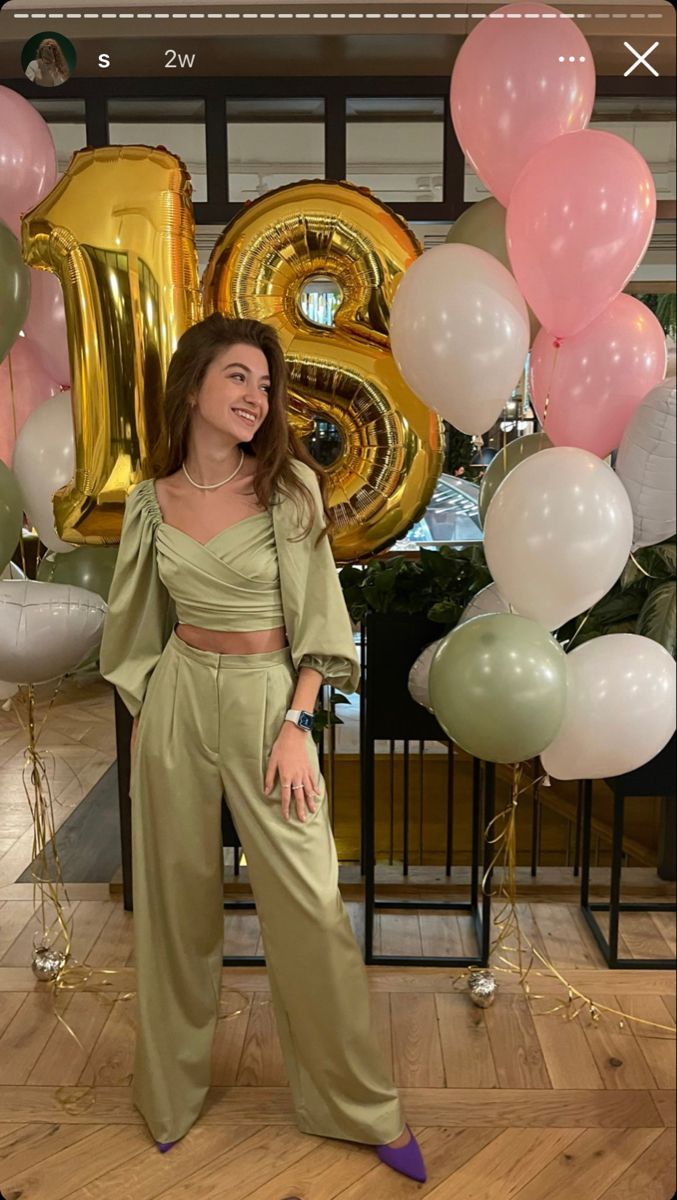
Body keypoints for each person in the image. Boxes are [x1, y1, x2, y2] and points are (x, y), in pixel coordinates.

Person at [98, 313, 427, 1183]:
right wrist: (155, 720)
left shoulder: (288, 491)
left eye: (266, 383)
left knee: (310, 909)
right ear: (195, 386)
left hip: (268, 705)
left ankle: (357, 1105)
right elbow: (134, 635)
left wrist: (297, 727)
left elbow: (320, 622)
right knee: (172, 907)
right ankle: (167, 1090)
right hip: (176, 702)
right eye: (240, 377)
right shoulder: (148, 500)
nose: (258, 396)